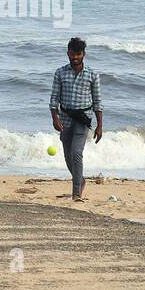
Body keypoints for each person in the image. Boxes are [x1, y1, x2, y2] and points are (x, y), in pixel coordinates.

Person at [49, 37, 103, 202]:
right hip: (65, 119)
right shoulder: (60, 73)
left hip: (83, 119)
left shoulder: (92, 75)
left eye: (78, 54)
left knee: (76, 153)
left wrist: (100, 126)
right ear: (68, 53)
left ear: (84, 54)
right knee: (67, 156)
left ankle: (76, 193)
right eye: (72, 54)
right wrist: (55, 118)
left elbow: (98, 102)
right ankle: (81, 180)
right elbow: (53, 99)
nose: (75, 58)